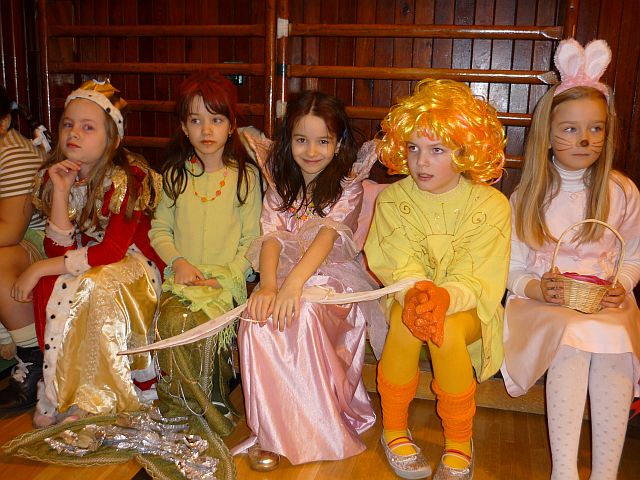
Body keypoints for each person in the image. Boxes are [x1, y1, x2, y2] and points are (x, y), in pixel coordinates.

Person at [501, 38, 640, 480]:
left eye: (596, 128)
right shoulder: (529, 197)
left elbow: (633, 257)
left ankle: (605, 473)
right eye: (571, 129)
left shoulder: (622, 192)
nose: (584, 139)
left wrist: (623, 285)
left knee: (615, 341)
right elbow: (511, 269)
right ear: (547, 134)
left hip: (606, 304)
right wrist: (537, 287)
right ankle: (563, 471)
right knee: (572, 337)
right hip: (542, 305)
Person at [365, 78, 510, 479]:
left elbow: (480, 275)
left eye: (436, 150)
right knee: (405, 321)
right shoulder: (393, 199)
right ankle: (394, 429)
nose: (421, 162)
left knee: (444, 328)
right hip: (407, 299)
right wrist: (418, 294)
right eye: (413, 148)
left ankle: (459, 440)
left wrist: (444, 298)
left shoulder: (492, 205)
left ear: (465, 152)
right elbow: (397, 261)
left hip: (468, 308)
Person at [235, 91, 386, 469]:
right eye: (302, 140)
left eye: (323, 141)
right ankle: (272, 431)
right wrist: (268, 286)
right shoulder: (279, 182)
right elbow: (271, 237)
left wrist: (293, 286)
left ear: (338, 143)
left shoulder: (347, 184)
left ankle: (317, 430)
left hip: (333, 281)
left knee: (302, 316)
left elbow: (327, 237)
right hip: (285, 275)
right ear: (288, 141)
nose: (312, 151)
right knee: (257, 318)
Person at [11, 79, 165, 428]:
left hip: (134, 265)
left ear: (112, 139)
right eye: (68, 124)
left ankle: (101, 397)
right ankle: (64, 391)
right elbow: (58, 248)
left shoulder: (127, 177)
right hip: (89, 260)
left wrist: (38, 268)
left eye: (87, 127)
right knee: (60, 283)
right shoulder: (63, 175)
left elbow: (111, 250)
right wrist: (61, 192)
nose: (74, 133)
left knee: (93, 285)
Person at [149, 70, 262, 435]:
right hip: (182, 280)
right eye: (196, 121)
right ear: (184, 128)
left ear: (232, 126)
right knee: (173, 322)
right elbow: (159, 230)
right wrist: (179, 262)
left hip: (226, 283)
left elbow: (253, 239)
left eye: (216, 120)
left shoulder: (245, 177)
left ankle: (211, 407)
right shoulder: (175, 175)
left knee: (202, 327)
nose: (206, 130)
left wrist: (228, 278)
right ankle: (179, 408)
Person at [0, 85, 48, 412]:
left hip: (44, 244)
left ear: (4, 122)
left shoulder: (14, 155)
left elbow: (10, 230)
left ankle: (34, 357)